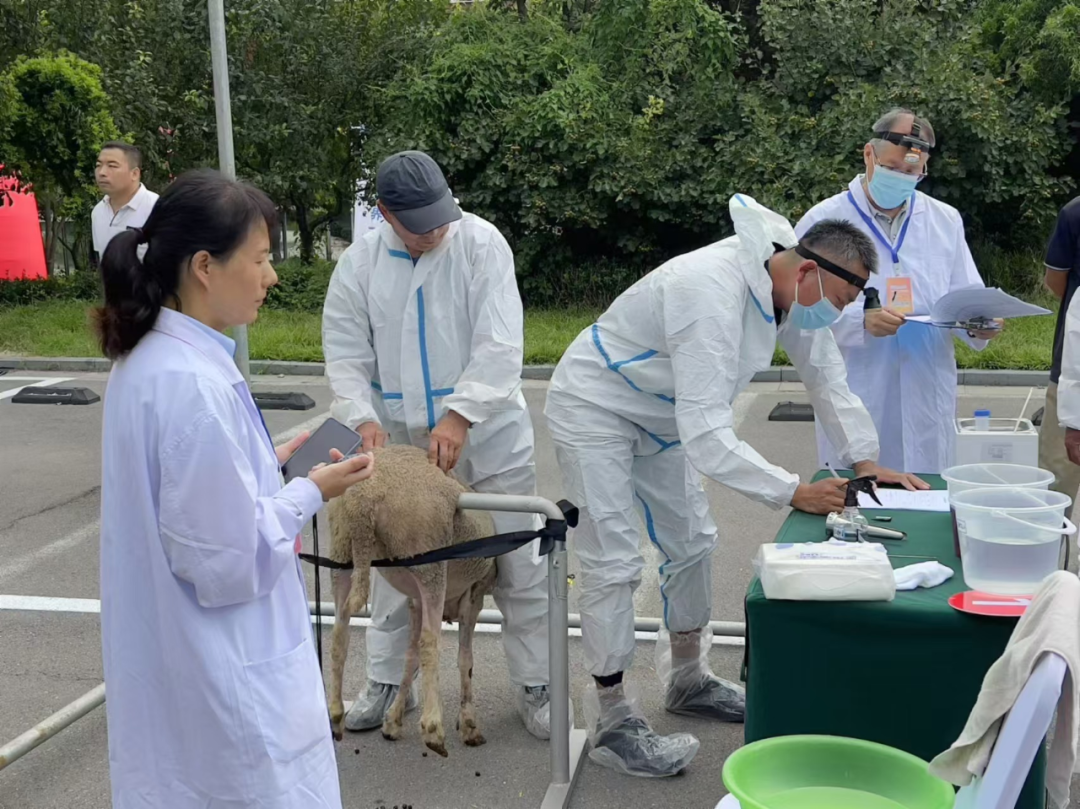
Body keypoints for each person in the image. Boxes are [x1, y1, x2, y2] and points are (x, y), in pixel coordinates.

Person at [544, 193, 926, 778]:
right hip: (598, 406)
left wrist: (865, 463)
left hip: (665, 417)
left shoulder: (796, 291)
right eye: (843, 301)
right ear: (808, 271)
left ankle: (688, 678)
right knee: (614, 558)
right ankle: (614, 719)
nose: (840, 314)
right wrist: (792, 489)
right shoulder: (710, 294)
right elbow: (707, 437)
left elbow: (827, 377)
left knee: (694, 540)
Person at [96, 169, 374, 809]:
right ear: (204, 267)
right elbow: (226, 562)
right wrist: (311, 490)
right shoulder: (197, 385)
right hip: (226, 683)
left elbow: (190, 501)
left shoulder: (147, 361)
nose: (270, 276)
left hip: (175, 671)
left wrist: (260, 466)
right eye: (259, 259)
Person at [322, 150, 554, 739]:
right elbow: (345, 352)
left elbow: (500, 343)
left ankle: (536, 684)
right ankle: (383, 681)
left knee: (516, 557)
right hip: (401, 444)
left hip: (489, 435)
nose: (432, 232)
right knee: (400, 560)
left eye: (439, 218)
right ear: (384, 214)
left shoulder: (480, 244)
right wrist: (361, 419)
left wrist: (461, 415)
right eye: (417, 223)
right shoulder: (360, 264)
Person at [795, 108, 1002, 475]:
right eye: (893, 168)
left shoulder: (944, 219)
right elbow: (798, 312)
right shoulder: (822, 221)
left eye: (912, 172)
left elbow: (966, 295)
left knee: (928, 492)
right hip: (859, 381)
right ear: (868, 154)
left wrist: (978, 324)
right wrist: (860, 321)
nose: (902, 179)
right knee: (860, 498)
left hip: (927, 379)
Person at [1040, 196, 1080, 501]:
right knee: (1056, 488)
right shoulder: (1075, 213)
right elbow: (1057, 283)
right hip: (1071, 368)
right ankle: (1052, 551)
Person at [92, 141, 159, 261]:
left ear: (134, 173)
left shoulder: (157, 209)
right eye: (98, 165)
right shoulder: (98, 212)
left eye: (112, 166)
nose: (102, 173)